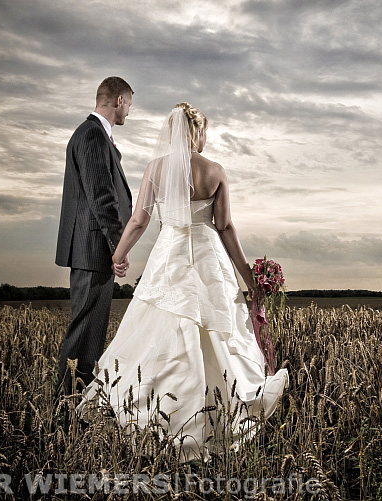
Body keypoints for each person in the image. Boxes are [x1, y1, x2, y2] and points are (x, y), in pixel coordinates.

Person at [76, 103, 289, 461]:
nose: (205, 138)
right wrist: (248, 278)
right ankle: (222, 415)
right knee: (218, 334)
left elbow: (139, 221)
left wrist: (119, 255)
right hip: (209, 261)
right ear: (196, 132)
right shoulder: (215, 171)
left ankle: (152, 414)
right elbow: (224, 227)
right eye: (204, 131)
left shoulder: (155, 169)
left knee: (156, 333)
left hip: (169, 257)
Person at [55, 77, 134, 402]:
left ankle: (76, 401)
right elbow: (102, 198)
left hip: (92, 249)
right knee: (86, 333)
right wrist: (119, 249)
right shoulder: (92, 135)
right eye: (129, 103)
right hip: (93, 249)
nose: (129, 110)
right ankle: (67, 405)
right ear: (118, 100)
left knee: (90, 332)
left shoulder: (94, 135)